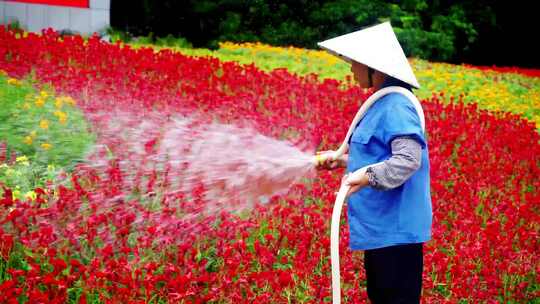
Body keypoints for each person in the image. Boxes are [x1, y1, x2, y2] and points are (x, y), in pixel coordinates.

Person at [316, 22, 433, 304]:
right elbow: (378, 156)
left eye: (355, 62)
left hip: (396, 236)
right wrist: (341, 160)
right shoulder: (379, 103)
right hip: (380, 233)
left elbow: (407, 160)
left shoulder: (397, 105)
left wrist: (365, 176)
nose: (351, 69)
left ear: (374, 67)